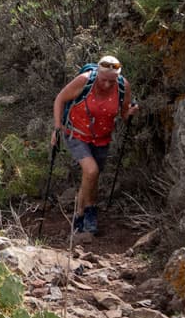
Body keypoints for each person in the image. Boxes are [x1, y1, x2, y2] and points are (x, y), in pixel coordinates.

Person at [51, 56, 137, 235]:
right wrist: (57, 128)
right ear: (97, 73)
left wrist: (130, 112)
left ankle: (85, 212)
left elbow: (123, 114)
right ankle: (85, 213)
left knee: (91, 177)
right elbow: (60, 99)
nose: (107, 84)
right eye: (103, 79)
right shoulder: (84, 81)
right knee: (91, 171)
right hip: (76, 133)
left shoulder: (122, 86)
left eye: (111, 81)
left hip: (102, 138)